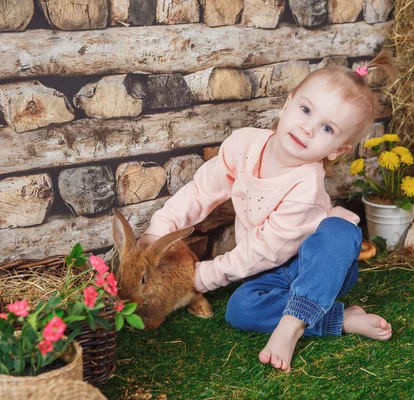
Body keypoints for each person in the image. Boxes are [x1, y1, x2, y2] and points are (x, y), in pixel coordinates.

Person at [138, 51, 396, 372]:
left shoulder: (305, 186)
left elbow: (263, 249)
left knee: (341, 232)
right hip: (270, 274)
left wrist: (201, 277)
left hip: (317, 269)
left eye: (327, 129)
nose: (308, 129)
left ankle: (291, 325)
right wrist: (158, 231)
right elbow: (202, 191)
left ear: (338, 150)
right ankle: (339, 318)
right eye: (305, 110)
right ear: (287, 104)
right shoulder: (244, 145)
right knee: (240, 310)